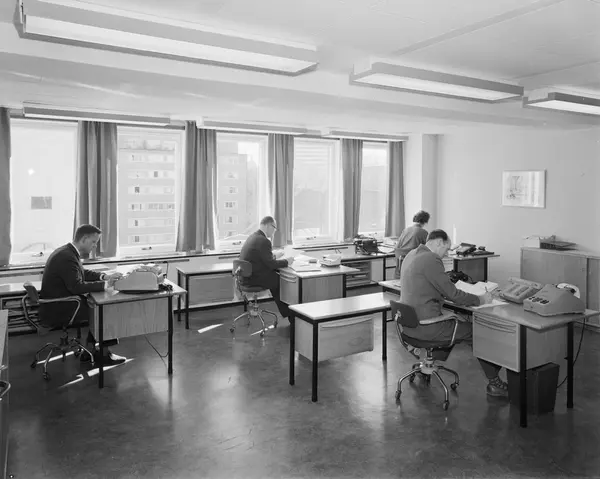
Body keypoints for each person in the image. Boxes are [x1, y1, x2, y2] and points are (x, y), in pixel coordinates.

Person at [399, 229, 508, 397]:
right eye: (446, 249)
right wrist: (481, 299)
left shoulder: (411, 254)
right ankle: (495, 383)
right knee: (476, 332)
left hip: (408, 325)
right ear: (439, 243)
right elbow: (454, 295)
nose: (446, 254)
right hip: (426, 327)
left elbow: (430, 287)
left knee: (453, 323)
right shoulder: (431, 259)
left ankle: (428, 365)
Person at [40, 224, 126, 365]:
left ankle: (89, 350)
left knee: (99, 306)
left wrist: (104, 277)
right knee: (106, 310)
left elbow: (81, 273)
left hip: (59, 303)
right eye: (94, 242)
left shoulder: (67, 252)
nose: (95, 246)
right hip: (60, 307)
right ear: (84, 239)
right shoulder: (66, 256)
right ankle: (104, 354)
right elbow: (76, 286)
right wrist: (107, 285)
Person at [238, 216, 294, 320]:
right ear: (268, 226)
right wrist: (287, 261)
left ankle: (288, 312)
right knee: (282, 281)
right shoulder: (264, 241)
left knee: (275, 277)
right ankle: (290, 314)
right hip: (254, 279)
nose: (274, 231)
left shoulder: (252, 237)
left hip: (245, 277)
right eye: (274, 228)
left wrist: (274, 256)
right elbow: (271, 264)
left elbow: (260, 258)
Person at [394, 210, 430, 279]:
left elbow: (397, 246)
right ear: (425, 221)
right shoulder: (423, 232)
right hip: (413, 263)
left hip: (401, 262)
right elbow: (429, 247)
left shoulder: (406, 230)